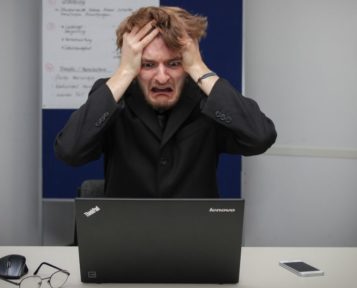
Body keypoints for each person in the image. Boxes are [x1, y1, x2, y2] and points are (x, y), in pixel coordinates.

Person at [54, 6, 277, 198]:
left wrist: (199, 68)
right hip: (127, 238)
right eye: (148, 65)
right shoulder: (113, 95)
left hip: (195, 237)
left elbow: (260, 137)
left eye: (174, 63)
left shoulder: (206, 98)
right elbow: (70, 151)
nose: (161, 77)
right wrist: (124, 72)